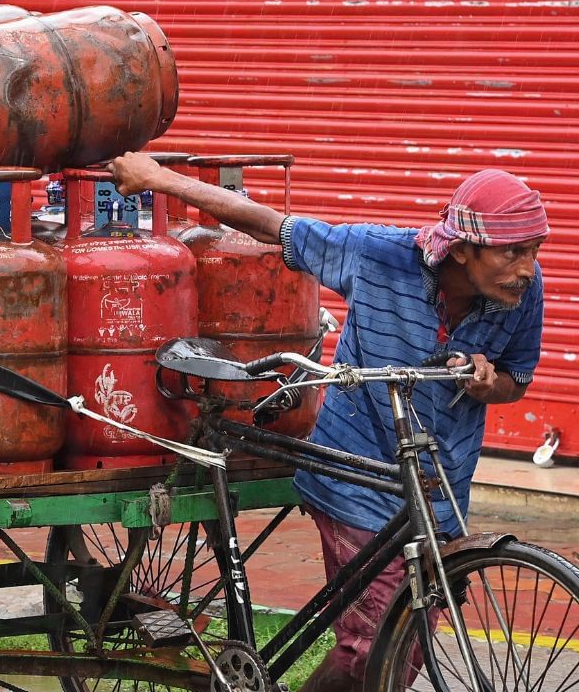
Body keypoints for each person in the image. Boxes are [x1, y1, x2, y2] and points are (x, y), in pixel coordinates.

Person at [110, 154, 547, 692]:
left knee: (408, 644)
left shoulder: (522, 292)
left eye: (533, 250)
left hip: (439, 487)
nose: (527, 267)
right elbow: (270, 224)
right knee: (374, 648)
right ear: (460, 249)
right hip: (355, 475)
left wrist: (487, 383)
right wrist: (158, 179)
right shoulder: (379, 256)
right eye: (512, 252)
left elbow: (515, 380)